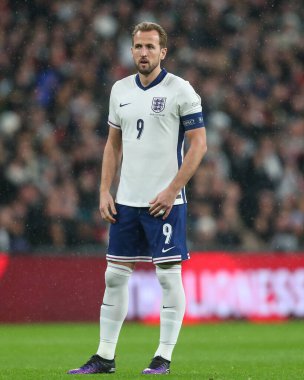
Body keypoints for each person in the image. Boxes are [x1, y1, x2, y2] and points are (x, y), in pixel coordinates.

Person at [68, 21, 207, 375]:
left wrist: (173, 188)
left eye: (150, 47)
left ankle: (163, 357)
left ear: (163, 52)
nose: (143, 53)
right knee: (114, 277)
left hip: (165, 202)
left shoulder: (181, 90)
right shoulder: (119, 90)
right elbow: (112, 145)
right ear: (131, 51)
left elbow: (199, 145)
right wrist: (104, 190)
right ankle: (104, 357)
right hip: (126, 201)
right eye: (138, 47)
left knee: (167, 277)